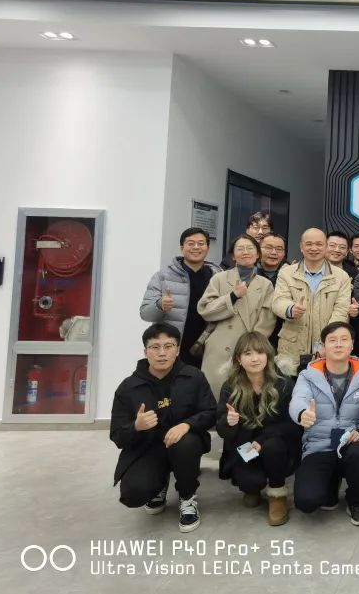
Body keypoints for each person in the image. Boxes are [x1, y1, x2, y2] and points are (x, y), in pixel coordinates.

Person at [110, 323, 216, 532]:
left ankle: (187, 497)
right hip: (148, 447)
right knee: (134, 494)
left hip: (185, 444)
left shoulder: (194, 377)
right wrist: (136, 426)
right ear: (145, 351)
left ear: (177, 350)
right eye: (155, 347)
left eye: (168, 346)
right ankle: (159, 483)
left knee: (185, 444)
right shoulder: (128, 387)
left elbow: (211, 412)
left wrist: (187, 424)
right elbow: (117, 435)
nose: (162, 353)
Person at [290, 322, 359, 525]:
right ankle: (329, 485)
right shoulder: (308, 376)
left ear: (352, 344)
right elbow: (298, 400)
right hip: (318, 445)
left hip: (351, 443)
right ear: (323, 346)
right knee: (307, 501)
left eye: (344, 339)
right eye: (332, 340)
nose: (338, 344)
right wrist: (302, 414)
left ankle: (357, 501)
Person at [215, 332, 300, 526]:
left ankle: (277, 494)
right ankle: (253, 486)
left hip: (275, 445)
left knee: (273, 446)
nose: (255, 359)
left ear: (268, 356)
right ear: (239, 359)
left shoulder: (283, 383)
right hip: (245, 447)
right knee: (251, 483)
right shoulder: (230, 387)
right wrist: (229, 422)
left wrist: (261, 441)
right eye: (248, 353)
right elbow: (222, 431)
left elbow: (292, 425)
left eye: (260, 353)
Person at [197, 234, 277, 400]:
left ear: (257, 254)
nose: (245, 252)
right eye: (240, 249)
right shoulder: (219, 279)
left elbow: (267, 318)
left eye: (250, 248)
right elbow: (205, 309)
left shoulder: (265, 284)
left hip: (250, 349)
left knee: (246, 396)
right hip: (220, 348)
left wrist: (251, 343)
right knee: (215, 395)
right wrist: (232, 296)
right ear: (233, 255)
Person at [271, 228, 353, 376]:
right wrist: (290, 309)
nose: (314, 248)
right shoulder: (286, 273)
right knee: (289, 387)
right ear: (301, 247)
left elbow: (341, 311)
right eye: (309, 244)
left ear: (326, 246)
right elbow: (278, 301)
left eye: (319, 244)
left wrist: (327, 341)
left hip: (325, 349)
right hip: (292, 348)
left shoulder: (341, 277)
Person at [140, 227, 221, 367]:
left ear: (208, 248)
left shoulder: (218, 276)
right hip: (174, 350)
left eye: (201, 243)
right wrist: (160, 305)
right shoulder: (163, 276)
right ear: (182, 248)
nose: (196, 247)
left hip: (207, 350)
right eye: (191, 243)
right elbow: (145, 313)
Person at [257, 232, 289, 349]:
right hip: (253, 333)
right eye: (268, 248)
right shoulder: (249, 273)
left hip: (282, 336)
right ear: (258, 250)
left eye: (279, 249)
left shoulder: (291, 275)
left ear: (284, 253)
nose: (274, 252)